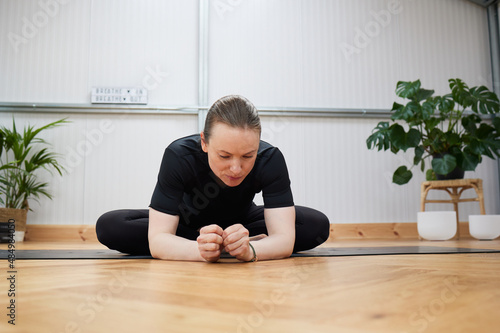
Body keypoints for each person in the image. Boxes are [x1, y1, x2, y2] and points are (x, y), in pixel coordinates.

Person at [96, 95, 330, 262]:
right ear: (204, 142)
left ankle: (231, 244)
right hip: (187, 225)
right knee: (111, 226)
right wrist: (200, 250)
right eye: (224, 156)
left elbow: (285, 240)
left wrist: (249, 249)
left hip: (243, 224)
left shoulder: (270, 159)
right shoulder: (179, 155)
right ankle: (222, 246)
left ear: (257, 146)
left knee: (316, 225)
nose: (236, 168)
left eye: (248, 155)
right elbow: (158, 240)